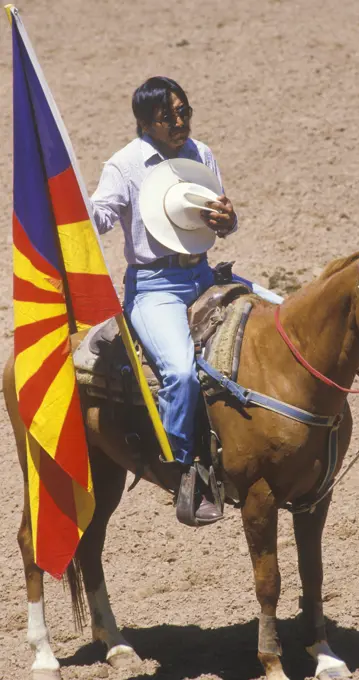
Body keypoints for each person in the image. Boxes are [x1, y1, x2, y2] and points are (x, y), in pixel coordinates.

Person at [91, 76, 237, 525]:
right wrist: (73, 206)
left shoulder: (201, 153)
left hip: (202, 272)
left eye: (185, 111)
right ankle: (184, 469)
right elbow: (101, 217)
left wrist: (229, 220)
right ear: (145, 122)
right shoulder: (125, 165)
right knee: (179, 372)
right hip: (154, 287)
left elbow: (221, 222)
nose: (180, 122)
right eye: (169, 116)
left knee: (280, 316)